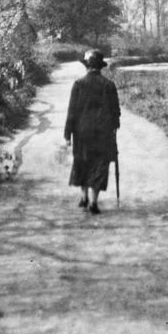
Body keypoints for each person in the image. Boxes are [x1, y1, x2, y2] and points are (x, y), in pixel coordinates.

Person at [64, 49, 120, 215]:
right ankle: (94, 202)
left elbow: (71, 112)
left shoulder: (79, 84)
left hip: (82, 133)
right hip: (103, 133)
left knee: (82, 162)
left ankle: (84, 197)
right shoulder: (109, 85)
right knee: (99, 166)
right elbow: (116, 112)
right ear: (100, 67)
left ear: (86, 66)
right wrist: (114, 128)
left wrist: (67, 134)